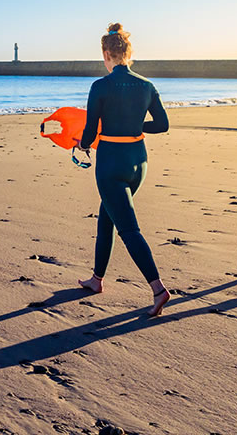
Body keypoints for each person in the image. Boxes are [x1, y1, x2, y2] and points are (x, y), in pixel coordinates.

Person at [77, 23, 172, 316]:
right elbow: (162, 124)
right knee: (107, 217)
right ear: (129, 54)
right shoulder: (146, 85)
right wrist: (134, 126)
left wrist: (81, 145)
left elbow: (90, 132)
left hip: (110, 163)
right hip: (138, 162)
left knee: (128, 228)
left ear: (107, 54)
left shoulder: (100, 86)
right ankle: (96, 279)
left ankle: (158, 289)